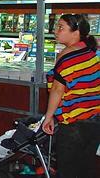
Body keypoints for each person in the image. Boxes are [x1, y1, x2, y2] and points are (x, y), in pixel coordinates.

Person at [42, 14, 99, 177]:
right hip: (94, 119)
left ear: (76, 32)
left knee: (68, 169)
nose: (56, 31)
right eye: (56, 27)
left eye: (61, 27)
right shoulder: (89, 51)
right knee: (85, 167)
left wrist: (49, 116)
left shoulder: (66, 56)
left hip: (74, 122)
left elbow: (58, 90)